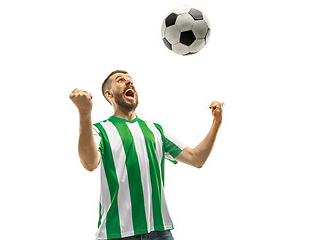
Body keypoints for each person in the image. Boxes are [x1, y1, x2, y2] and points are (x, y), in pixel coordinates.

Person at [69, 70, 224, 240]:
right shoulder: (100, 130)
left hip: (160, 231)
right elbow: (89, 163)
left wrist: (217, 122)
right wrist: (85, 113)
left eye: (131, 81)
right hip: (118, 233)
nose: (130, 83)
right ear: (109, 94)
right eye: (121, 80)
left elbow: (196, 159)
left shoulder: (156, 130)